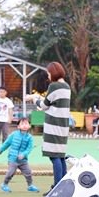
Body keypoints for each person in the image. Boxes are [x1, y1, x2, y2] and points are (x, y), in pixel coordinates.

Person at [25, 61, 70, 189]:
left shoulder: (54, 86)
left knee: (54, 156)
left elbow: (44, 105)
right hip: (63, 125)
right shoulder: (66, 86)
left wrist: (34, 98)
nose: (48, 76)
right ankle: (63, 185)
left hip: (54, 124)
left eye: (49, 73)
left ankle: (57, 187)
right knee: (60, 156)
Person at [0, 118, 39, 193]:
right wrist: (1, 149)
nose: (24, 125)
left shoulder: (29, 137)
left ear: (29, 126)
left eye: (26, 123)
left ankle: (30, 185)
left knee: (28, 172)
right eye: (22, 124)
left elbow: (29, 148)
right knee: (10, 172)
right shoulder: (14, 134)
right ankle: (4, 184)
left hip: (23, 160)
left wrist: (24, 154)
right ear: (18, 126)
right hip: (13, 158)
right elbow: (7, 143)